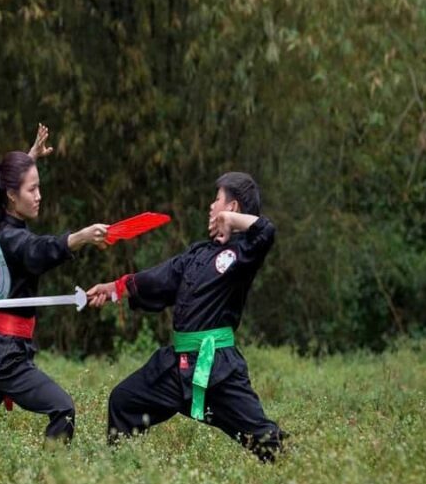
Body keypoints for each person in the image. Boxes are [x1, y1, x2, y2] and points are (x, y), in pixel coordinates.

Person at [87, 171, 286, 462]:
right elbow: (157, 279)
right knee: (124, 401)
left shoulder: (243, 253)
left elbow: (266, 230)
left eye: (216, 200)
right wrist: (113, 289)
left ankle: (303, 472)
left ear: (232, 208)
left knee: (266, 441)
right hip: (176, 368)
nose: (210, 206)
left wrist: (232, 223)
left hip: (218, 371)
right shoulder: (197, 254)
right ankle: (120, 474)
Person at [0, 125, 108, 447]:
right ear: (11, 194)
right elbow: (36, 251)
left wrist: (29, 158)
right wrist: (80, 238)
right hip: (6, 354)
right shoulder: (14, 238)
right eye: (31, 190)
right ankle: (49, 483)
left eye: (38, 187)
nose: (39, 196)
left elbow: (4, 185)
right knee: (64, 409)